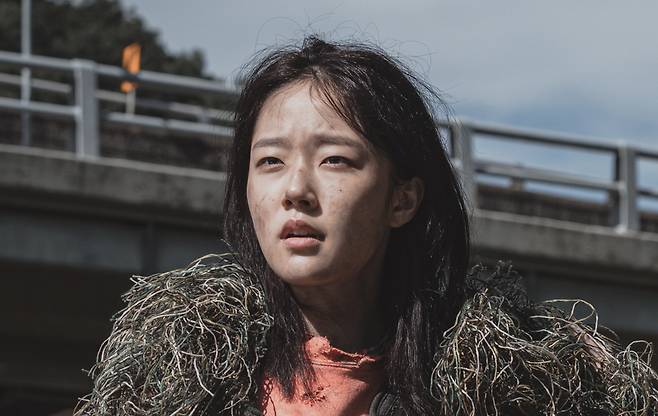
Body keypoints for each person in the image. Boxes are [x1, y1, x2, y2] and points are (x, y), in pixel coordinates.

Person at [75, 36, 658, 416]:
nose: (295, 190)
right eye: (270, 161)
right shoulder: (170, 379)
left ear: (402, 199)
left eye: (335, 159)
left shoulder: (511, 384)